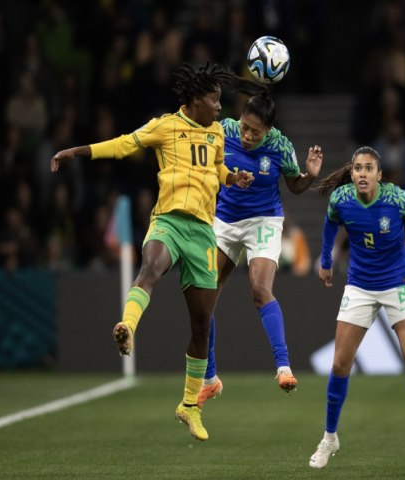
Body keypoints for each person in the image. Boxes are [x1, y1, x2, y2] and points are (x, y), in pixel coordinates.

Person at [50, 62, 254, 442]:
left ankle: (189, 406)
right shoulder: (165, 126)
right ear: (195, 99)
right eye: (214, 100)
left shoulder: (216, 134)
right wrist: (76, 152)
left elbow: (217, 168)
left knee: (202, 325)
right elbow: (123, 144)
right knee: (151, 268)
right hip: (169, 223)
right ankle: (127, 325)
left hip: (203, 235)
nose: (219, 108)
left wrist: (233, 177)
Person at [308, 146, 405, 468]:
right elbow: (331, 223)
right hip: (360, 285)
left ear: (379, 174)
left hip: (398, 281)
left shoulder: (396, 198)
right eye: (357, 168)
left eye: (368, 168)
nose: (362, 173)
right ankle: (329, 438)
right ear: (352, 172)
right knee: (340, 365)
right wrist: (327, 261)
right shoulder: (342, 198)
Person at [197, 92, 323, 405]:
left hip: (264, 222)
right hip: (225, 221)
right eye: (245, 126)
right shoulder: (224, 129)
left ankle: (283, 367)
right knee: (203, 295)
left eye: (256, 131)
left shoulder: (280, 146)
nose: (248, 135)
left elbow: (294, 185)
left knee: (259, 289)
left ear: (268, 131)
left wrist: (309, 176)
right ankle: (210, 379)